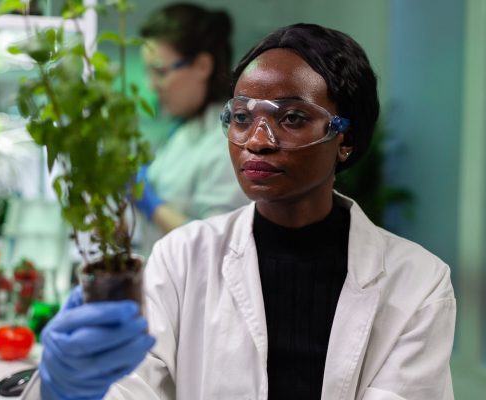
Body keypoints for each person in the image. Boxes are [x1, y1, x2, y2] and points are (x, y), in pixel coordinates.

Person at [24, 23, 456, 400]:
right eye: (242, 116)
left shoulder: (418, 283)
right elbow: (133, 388)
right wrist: (68, 388)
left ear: (345, 139)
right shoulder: (181, 258)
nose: (257, 139)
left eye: (291, 117)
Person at [132, 3, 249, 256]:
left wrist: (152, 204)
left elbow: (218, 245)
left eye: (160, 72)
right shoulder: (182, 129)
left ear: (202, 66)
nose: (152, 86)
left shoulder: (227, 142)